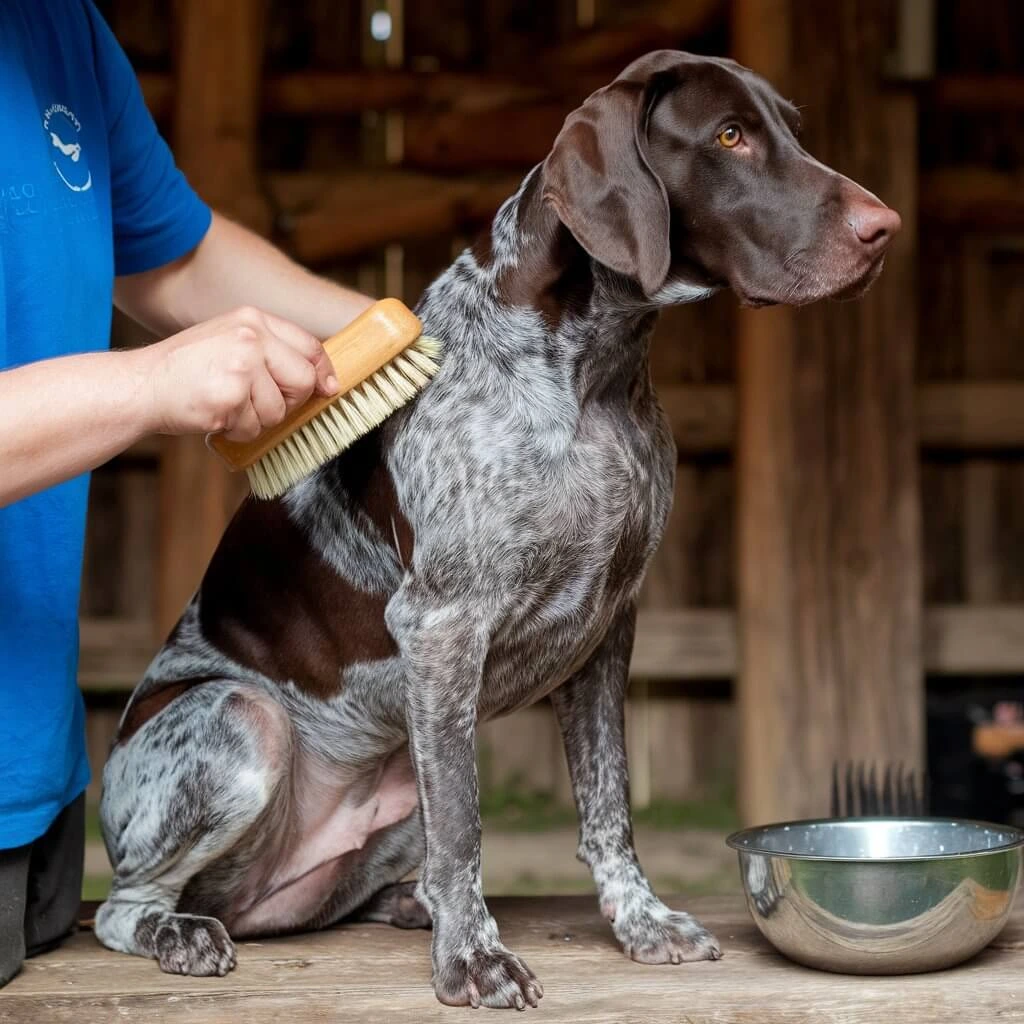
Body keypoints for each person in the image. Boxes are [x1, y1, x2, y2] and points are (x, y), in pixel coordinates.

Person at [0, 0, 375, 985]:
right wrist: (152, 383)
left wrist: (419, 342)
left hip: (36, 789)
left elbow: (176, 259)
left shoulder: (58, 26)